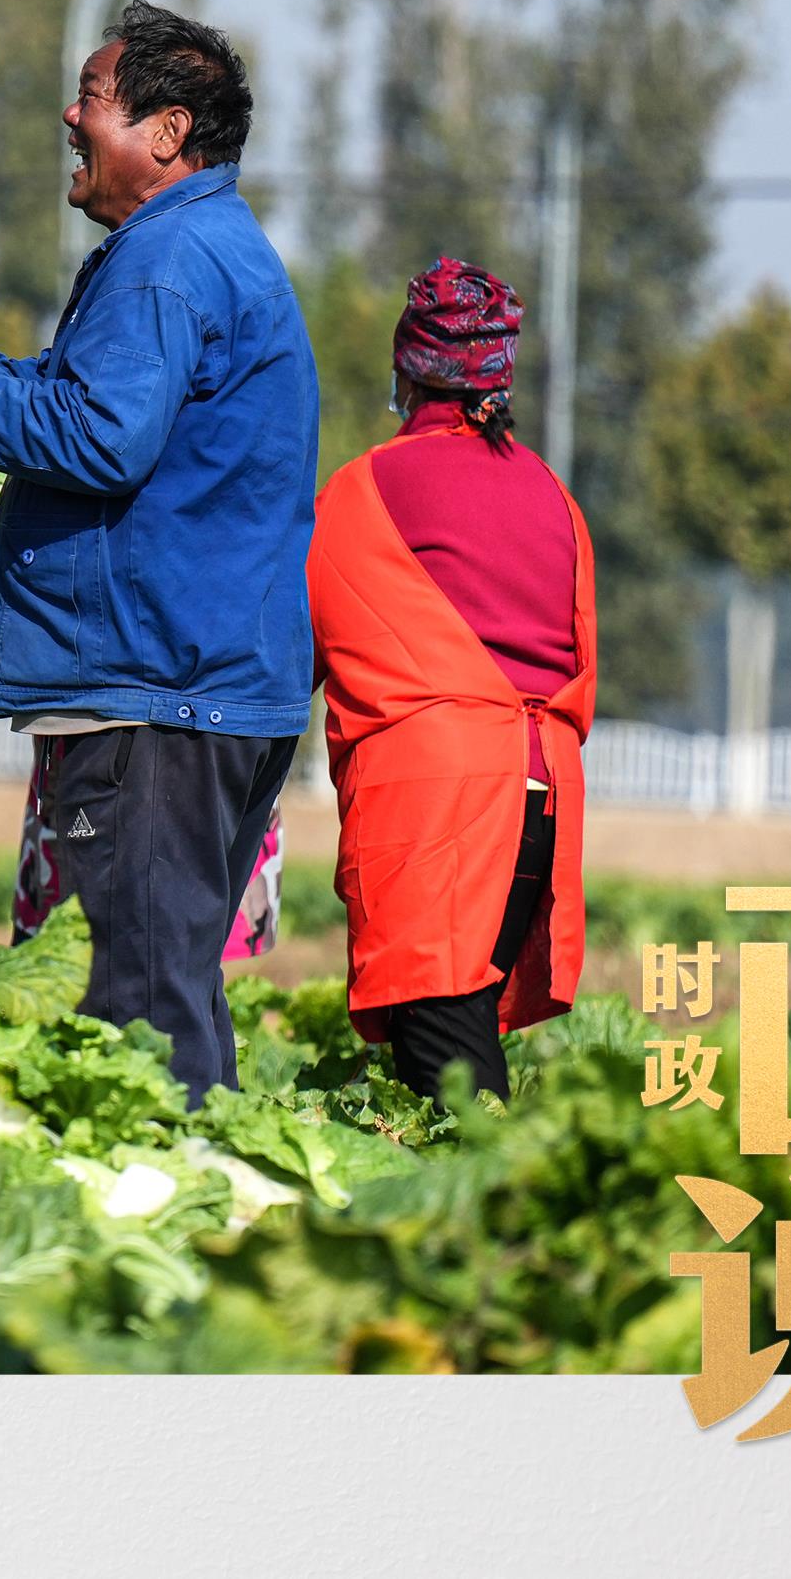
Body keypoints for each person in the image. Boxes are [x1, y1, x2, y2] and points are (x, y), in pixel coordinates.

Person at [0, 0, 318, 1098]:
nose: (69, 112)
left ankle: (154, 1232)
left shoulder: (165, 262)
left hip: (155, 693)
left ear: (164, 132)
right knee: (171, 990)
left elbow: (101, 440)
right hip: (202, 686)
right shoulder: (202, 250)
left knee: (133, 1014)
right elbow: (91, 406)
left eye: (93, 99)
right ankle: (205, 1211)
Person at [308, 258, 595, 1099]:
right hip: (544, 807)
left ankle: (504, 1226)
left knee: (449, 1080)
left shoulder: (367, 489)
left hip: (440, 814)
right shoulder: (554, 495)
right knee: (462, 1047)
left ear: (407, 372)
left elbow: (291, 648)